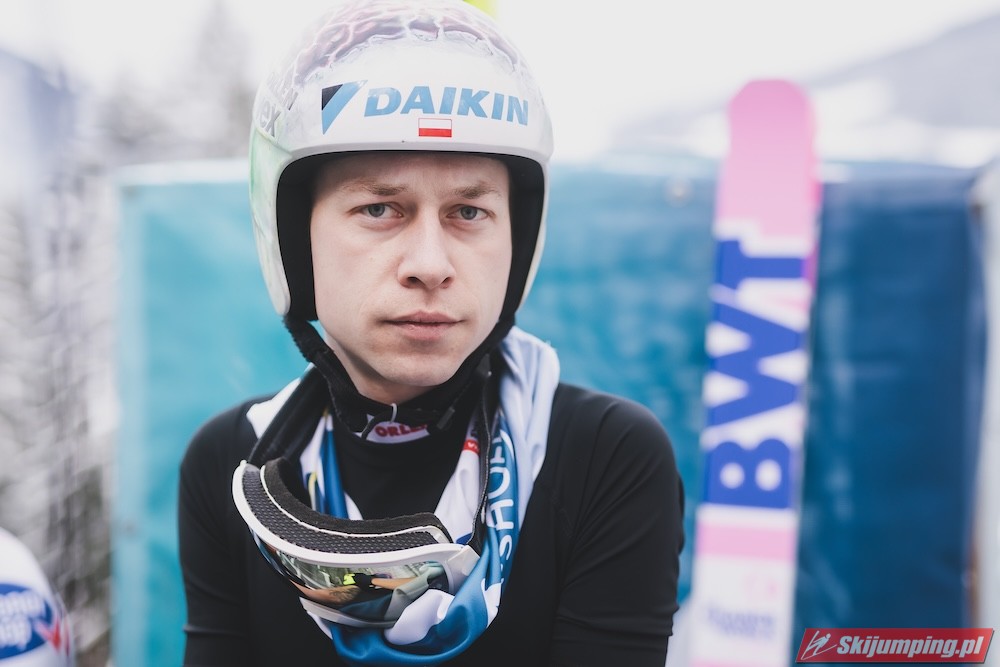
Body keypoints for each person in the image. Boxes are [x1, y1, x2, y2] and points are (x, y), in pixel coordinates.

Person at [177, 1, 684, 665]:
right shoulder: (231, 465)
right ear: (295, 240)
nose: (430, 265)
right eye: (379, 208)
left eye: (468, 211)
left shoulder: (606, 457)